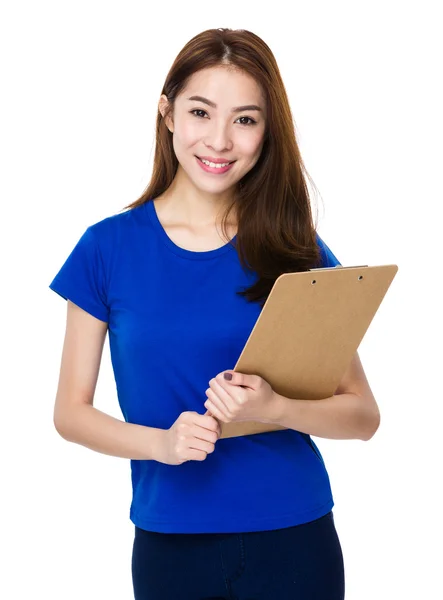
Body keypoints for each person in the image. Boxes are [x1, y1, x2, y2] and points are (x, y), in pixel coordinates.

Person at [49, 27, 380, 600]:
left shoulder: (292, 248)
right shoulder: (107, 248)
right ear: (168, 113)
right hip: (170, 543)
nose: (221, 140)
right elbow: (69, 414)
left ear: (266, 133)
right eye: (201, 112)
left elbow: (362, 416)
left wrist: (276, 407)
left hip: (295, 537)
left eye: (246, 120)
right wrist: (162, 445)